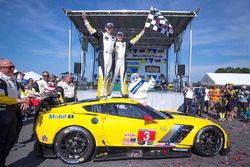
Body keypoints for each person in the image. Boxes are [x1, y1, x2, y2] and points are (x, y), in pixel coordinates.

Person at [0, 58, 29, 167]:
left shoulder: (13, 80)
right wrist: (19, 100)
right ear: (1, 68)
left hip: (12, 112)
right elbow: (1, 98)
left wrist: (25, 99)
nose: (12, 69)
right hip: (3, 112)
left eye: (13, 66)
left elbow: (22, 92)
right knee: (2, 141)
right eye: (9, 67)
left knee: (11, 140)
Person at [82, 12, 116, 98]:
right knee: (102, 75)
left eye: (111, 27)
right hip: (102, 55)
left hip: (110, 57)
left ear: (112, 29)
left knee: (108, 76)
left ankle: (105, 93)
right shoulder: (101, 34)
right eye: (108, 27)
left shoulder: (114, 38)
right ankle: (99, 94)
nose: (109, 28)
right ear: (105, 28)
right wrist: (85, 20)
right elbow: (91, 30)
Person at [108, 30, 145, 97]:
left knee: (123, 78)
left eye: (121, 36)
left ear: (123, 37)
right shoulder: (113, 43)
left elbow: (133, 40)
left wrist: (140, 34)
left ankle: (124, 93)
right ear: (116, 36)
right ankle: (108, 92)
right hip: (115, 61)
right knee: (113, 77)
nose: (119, 37)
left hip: (123, 62)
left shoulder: (125, 44)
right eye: (118, 35)